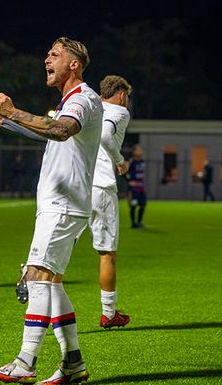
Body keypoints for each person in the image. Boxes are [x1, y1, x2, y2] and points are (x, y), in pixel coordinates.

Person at [0, 37, 102, 384]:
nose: (46, 59)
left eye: (54, 55)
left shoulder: (81, 98)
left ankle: (25, 362)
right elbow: (52, 133)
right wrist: (8, 123)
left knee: (35, 276)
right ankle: (73, 362)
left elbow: (61, 131)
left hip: (62, 205)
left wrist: (13, 112)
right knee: (52, 283)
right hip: (63, 204)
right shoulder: (71, 101)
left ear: (74, 64)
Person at [89, 75, 132, 329]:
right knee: (107, 252)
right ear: (122, 95)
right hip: (101, 187)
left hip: (78, 184)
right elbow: (106, 134)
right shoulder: (120, 111)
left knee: (60, 252)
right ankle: (108, 313)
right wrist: (120, 160)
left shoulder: (89, 107)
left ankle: (44, 305)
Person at [127, 144, 146, 228]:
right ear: (134, 152)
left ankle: (139, 222)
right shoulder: (131, 162)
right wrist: (129, 181)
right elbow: (125, 173)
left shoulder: (142, 162)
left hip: (141, 188)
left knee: (142, 205)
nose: (141, 151)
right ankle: (133, 223)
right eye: (139, 150)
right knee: (133, 205)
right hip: (134, 189)